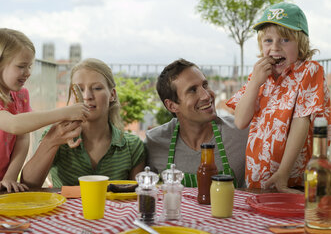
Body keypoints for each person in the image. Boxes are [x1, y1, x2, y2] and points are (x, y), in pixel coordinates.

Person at [226, 2, 331, 193]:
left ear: (301, 44)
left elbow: (302, 122)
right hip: (257, 179)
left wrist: (283, 174)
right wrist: (255, 83)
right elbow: (240, 121)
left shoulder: (309, 71)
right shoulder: (258, 76)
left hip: (292, 179)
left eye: (284, 40)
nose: (275, 47)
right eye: (268, 40)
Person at [21, 58, 146, 188]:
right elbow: (28, 185)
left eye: (97, 88)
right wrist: (51, 141)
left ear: (112, 95)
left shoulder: (132, 146)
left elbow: (136, 197)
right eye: (79, 89)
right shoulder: (58, 136)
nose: (87, 96)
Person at [0, 28, 89, 193]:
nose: (28, 73)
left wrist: (10, 177)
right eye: (21, 66)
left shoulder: (21, 96)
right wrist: (65, 112)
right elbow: (14, 125)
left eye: (29, 66)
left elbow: (22, 139)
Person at [145, 58, 249, 188]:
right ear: (172, 105)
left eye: (205, 85)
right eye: (192, 90)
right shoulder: (154, 143)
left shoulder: (242, 133)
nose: (207, 96)